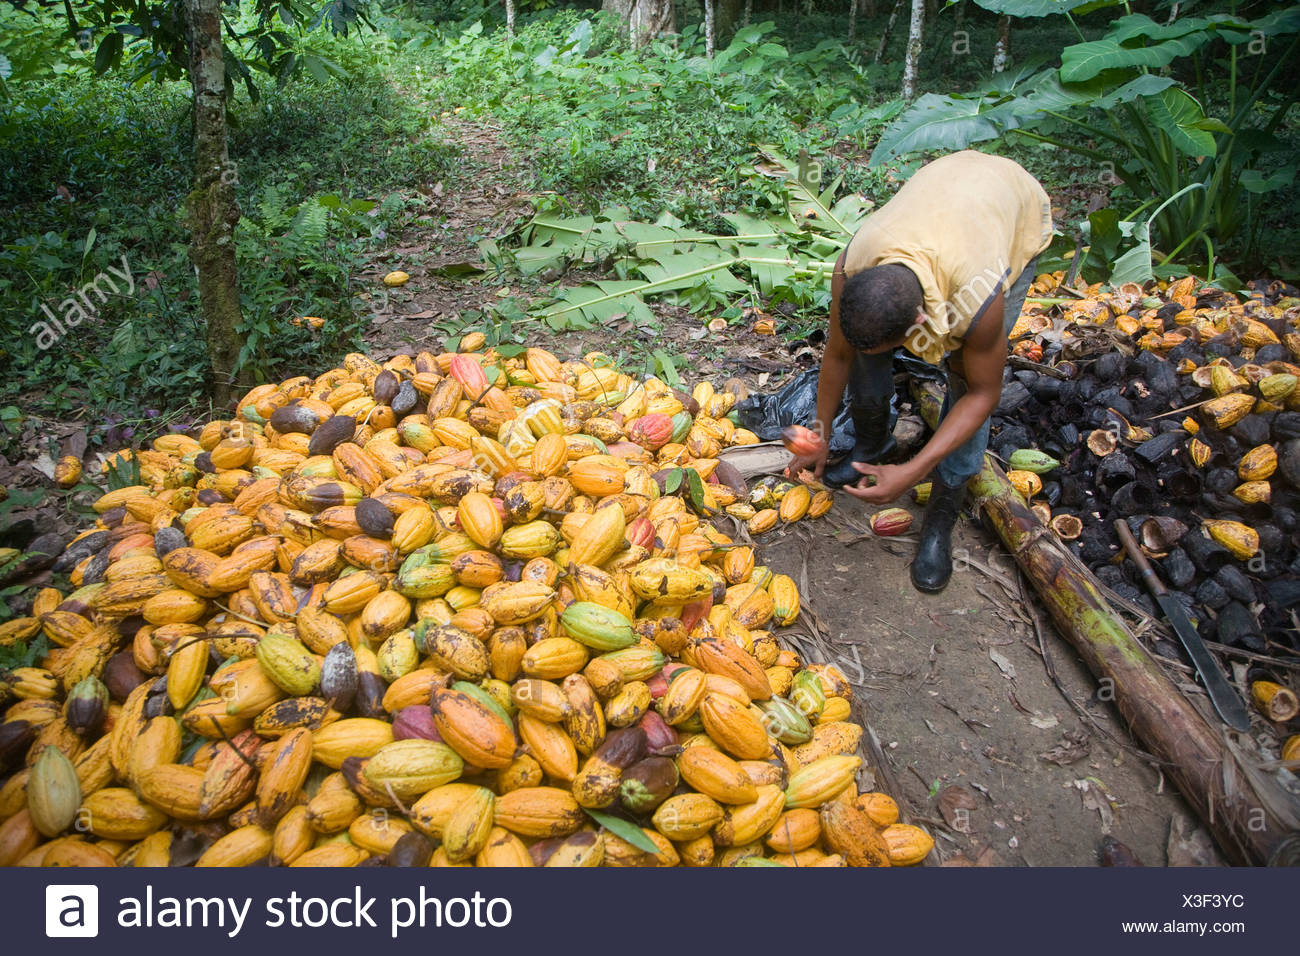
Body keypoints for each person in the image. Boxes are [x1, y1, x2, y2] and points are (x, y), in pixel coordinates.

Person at [787, 150, 1053, 594]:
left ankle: (942, 514)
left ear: (917, 326)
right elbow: (837, 355)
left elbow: (983, 395)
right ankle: (873, 444)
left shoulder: (978, 300)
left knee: (963, 375)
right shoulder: (854, 267)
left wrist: (915, 470)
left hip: (1009, 206)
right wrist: (820, 433)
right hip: (944, 190)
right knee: (864, 350)